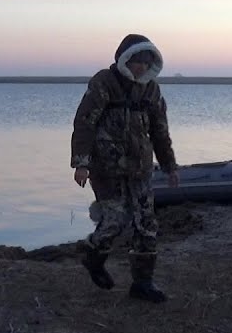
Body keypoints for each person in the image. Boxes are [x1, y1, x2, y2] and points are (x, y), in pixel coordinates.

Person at [71, 33, 180, 303]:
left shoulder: (152, 90)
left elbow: (159, 130)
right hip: (106, 169)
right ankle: (93, 256)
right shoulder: (103, 83)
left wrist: (169, 165)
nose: (141, 66)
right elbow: (84, 123)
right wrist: (81, 163)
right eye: (136, 60)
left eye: (146, 61)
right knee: (115, 221)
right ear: (124, 59)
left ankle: (143, 283)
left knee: (146, 224)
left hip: (141, 168)